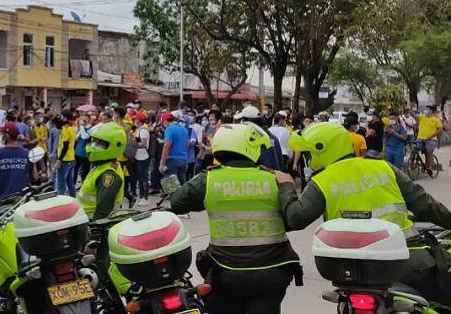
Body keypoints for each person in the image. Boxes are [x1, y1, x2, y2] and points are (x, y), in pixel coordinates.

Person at [283, 121, 451, 304]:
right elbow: (425, 205)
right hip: (406, 261)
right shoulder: (383, 167)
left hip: (353, 270)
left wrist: (286, 187)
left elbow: (295, 218)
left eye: (308, 154)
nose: (308, 159)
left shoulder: (322, 181)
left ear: (321, 151)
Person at [169, 123, 300, 314]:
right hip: (272, 272)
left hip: (226, 273)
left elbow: (177, 202)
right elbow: (291, 218)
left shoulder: (208, 179)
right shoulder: (273, 178)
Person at [75, 122, 126, 219]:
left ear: (114, 146)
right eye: (95, 141)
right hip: (82, 218)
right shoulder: (101, 165)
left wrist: (92, 230)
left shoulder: (108, 175)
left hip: (90, 223)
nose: (94, 146)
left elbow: (102, 212)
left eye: (100, 144)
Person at [0, 122, 35, 205]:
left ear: (7, 136)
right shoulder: (27, 153)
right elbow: (35, 177)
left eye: (2, 133)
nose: (1, 135)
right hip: (23, 200)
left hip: (3, 201)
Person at [159, 112, 190, 185]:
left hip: (172, 159)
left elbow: (166, 146)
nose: (163, 125)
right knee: (182, 184)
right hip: (183, 159)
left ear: (165, 121)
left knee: (171, 186)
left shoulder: (169, 129)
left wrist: (162, 163)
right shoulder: (183, 128)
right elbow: (187, 144)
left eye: (163, 123)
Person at [54, 111, 77, 197]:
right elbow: (57, 124)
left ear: (66, 118)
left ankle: (61, 201)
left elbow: (65, 146)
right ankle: (73, 198)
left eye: (62, 117)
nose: (61, 118)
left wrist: (59, 160)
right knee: (70, 182)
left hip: (65, 160)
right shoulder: (72, 128)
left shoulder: (66, 129)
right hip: (71, 158)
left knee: (61, 183)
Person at [131, 112, 151, 206]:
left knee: (143, 178)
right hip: (138, 156)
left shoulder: (143, 130)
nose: (134, 121)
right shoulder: (139, 129)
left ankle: (146, 198)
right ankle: (142, 196)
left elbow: (143, 144)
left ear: (138, 120)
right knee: (140, 178)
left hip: (143, 157)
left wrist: (133, 144)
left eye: (135, 119)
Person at [418, 105, 443, 173]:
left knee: (428, 151)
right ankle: (412, 165)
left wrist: (431, 136)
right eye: (426, 109)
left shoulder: (436, 120)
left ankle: (429, 166)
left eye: (428, 109)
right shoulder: (422, 117)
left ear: (432, 111)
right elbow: (413, 115)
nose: (426, 111)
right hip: (420, 139)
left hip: (431, 140)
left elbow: (439, 130)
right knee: (414, 149)